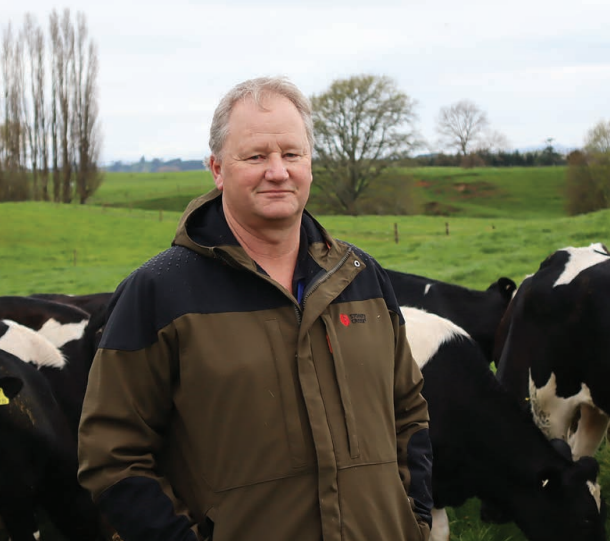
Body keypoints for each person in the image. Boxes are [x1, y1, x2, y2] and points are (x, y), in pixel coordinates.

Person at [77, 76, 433, 541]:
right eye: (256, 156)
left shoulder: (362, 277)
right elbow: (112, 455)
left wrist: (413, 520)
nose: (278, 171)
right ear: (217, 168)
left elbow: (409, 412)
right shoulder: (158, 293)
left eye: (292, 154)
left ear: (309, 163)